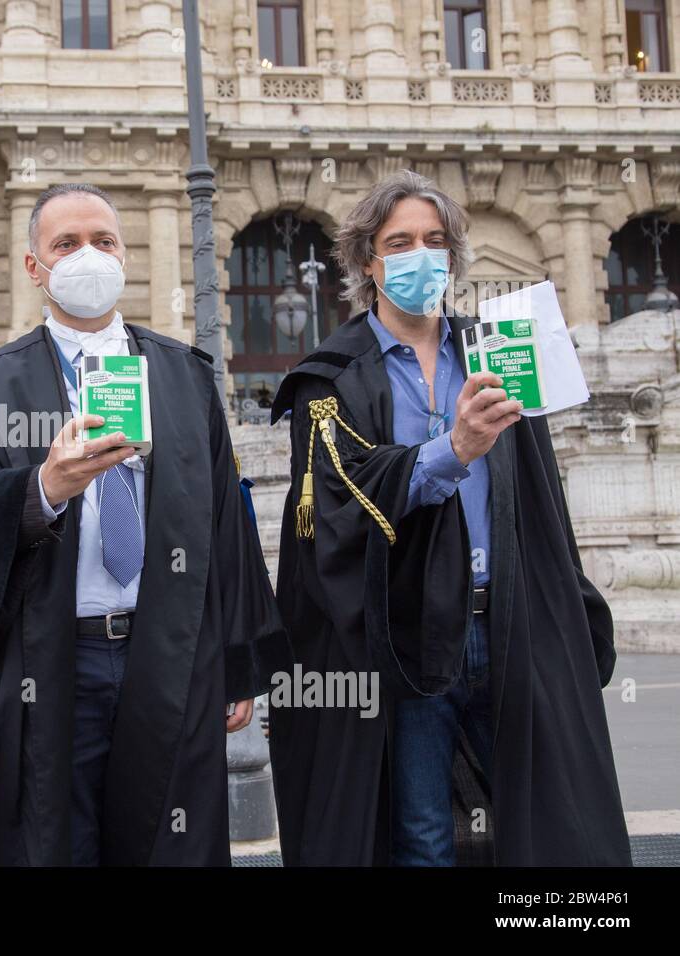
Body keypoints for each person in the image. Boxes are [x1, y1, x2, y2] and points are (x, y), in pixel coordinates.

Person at [0, 183, 289, 866]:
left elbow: (225, 528)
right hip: (53, 662)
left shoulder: (182, 376)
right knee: (58, 840)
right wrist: (41, 490)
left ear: (125, 256)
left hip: (168, 652)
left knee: (164, 840)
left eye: (104, 241)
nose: (88, 256)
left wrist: (239, 664)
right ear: (34, 267)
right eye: (66, 244)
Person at [267, 170, 630, 866]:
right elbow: (342, 503)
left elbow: (538, 494)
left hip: (509, 623)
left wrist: (570, 608)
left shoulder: (496, 349)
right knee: (424, 837)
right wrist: (452, 449)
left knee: (541, 826)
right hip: (407, 636)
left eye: (435, 241)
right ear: (367, 261)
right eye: (398, 242)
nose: (420, 256)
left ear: (455, 256)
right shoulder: (332, 378)